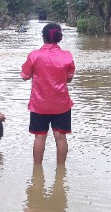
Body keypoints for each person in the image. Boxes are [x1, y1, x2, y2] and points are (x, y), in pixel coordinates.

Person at [20, 22, 75, 164]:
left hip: (39, 104)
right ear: (59, 37)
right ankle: (61, 171)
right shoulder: (67, 56)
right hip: (61, 104)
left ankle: (37, 171)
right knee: (61, 137)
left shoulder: (34, 56)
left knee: (39, 137)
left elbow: (25, 76)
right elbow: (68, 79)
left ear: (43, 37)